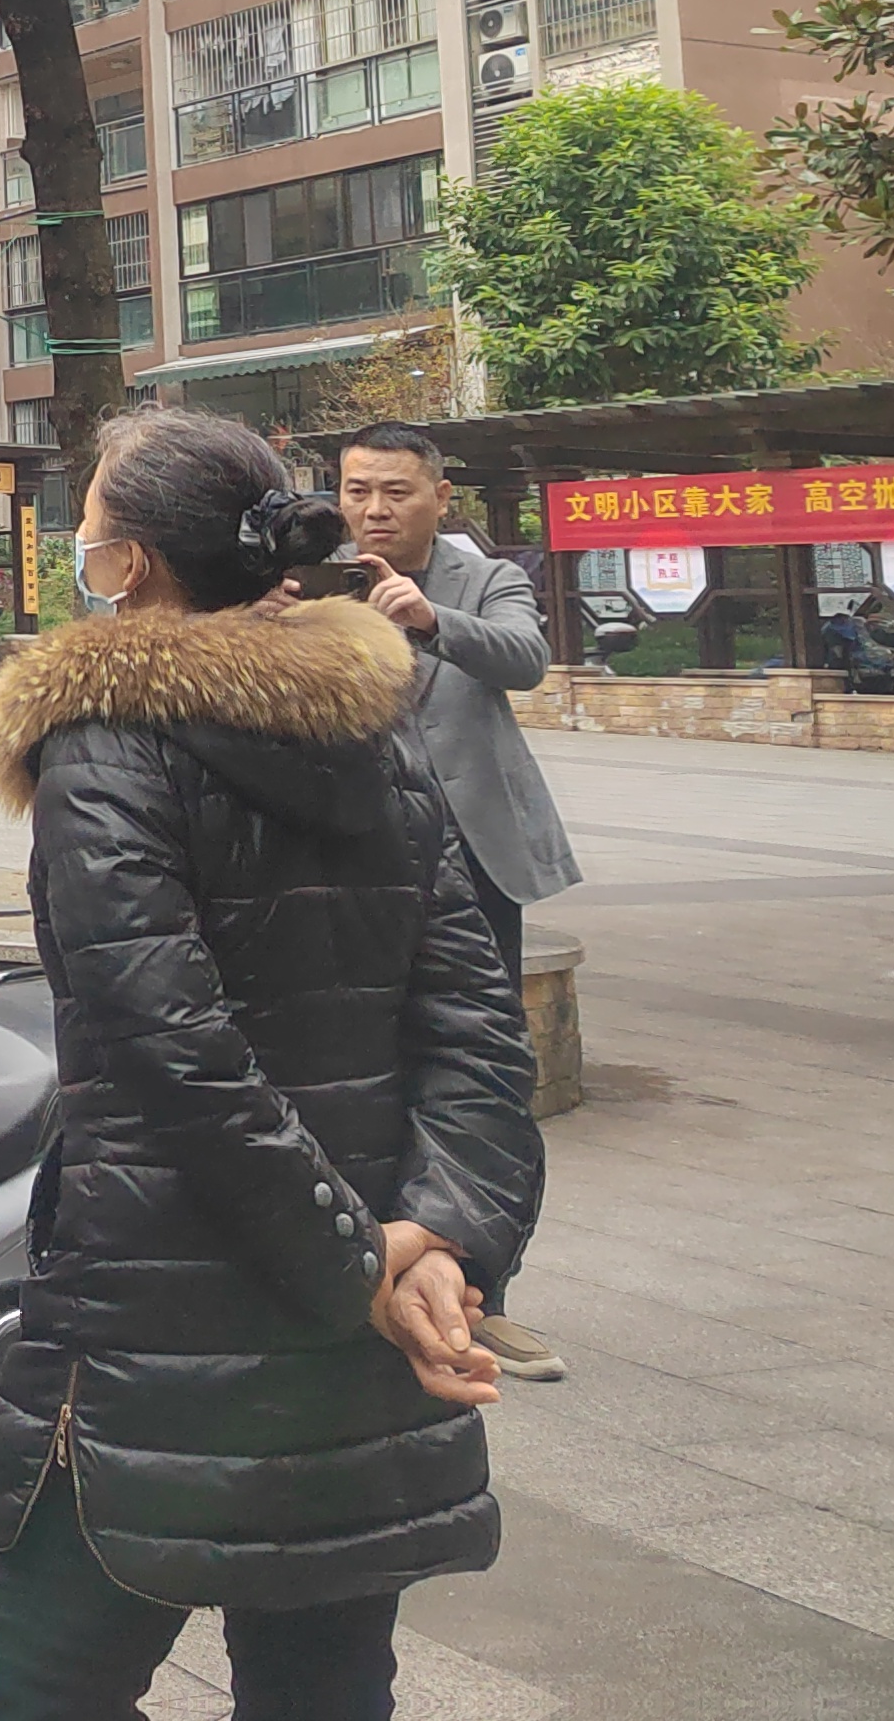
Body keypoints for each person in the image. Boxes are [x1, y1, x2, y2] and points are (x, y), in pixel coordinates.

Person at [0, 410, 544, 1721]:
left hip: (162, 1324)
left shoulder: (105, 744)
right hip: (363, 1325)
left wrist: (360, 1264)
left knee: (34, 1681)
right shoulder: (373, 727)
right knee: (322, 1685)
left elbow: (172, 1054)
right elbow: (473, 1018)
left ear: (129, 565)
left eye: (89, 528)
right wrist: (435, 1239)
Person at [332, 420, 576, 1384]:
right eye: (357, 490)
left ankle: (486, 1294)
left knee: (481, 1072)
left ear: (439, 496)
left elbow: (526, 656)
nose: (374, 510)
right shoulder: (316, 580)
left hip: (471, 863)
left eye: (395, 492)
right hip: (356, 857)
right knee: (366, 1067)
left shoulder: (485, 578)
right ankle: (376, 1277)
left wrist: (431, 617)